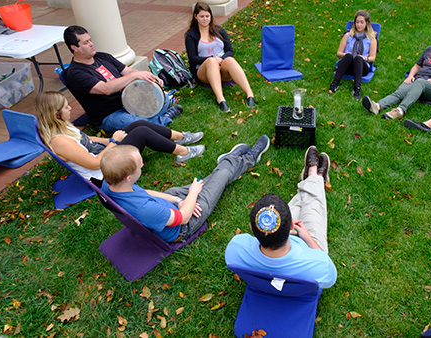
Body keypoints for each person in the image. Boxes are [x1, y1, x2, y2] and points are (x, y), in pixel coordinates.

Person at [100, 135, 270, 242]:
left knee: (210, 182)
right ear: (128, 177)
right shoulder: (145, 209)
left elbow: (144, 193)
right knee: (221, 176)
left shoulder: (111, 185)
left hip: (167, 208)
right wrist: (192, 194)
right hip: (184, 225)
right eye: (139, 165)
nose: (143, 164)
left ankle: (228, 163)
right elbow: (183, 218)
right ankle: (247, 159)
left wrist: (179, 200)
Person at [225, 146, 337, 289]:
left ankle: (312, 179)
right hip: (305, 249)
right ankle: (316, 177)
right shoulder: (319, 266)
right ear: (291, 226)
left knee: (299, 205)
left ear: (252, 228)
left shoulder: (235, 250)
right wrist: (308, 238)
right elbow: (331, 271)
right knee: (313, 205)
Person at [36, 91, 205, 185]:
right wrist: (115, 143)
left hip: (105, 155)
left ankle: (179, 137)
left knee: (137, 125)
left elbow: (88, 139)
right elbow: (94, 164)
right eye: (66, 108)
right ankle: (183, 152)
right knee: (141, 133)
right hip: (103, 172)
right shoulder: (59, 141)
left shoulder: (62, 126)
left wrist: (108, 141)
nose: (70, 109)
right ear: (56, 114)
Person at [63, 25, 183, 133]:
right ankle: (163, 117)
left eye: (90, 40)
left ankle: (158, 113)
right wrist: (133, 76)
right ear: (75, 48)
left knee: (161, 99)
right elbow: (105, 89)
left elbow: (129, 71)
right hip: (110, 114)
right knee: (135, 123)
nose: (91, 44)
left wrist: (147, 76)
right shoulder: (75, 73)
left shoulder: (103, 56)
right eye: (86, 42)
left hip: (130, 102)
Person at [362, 21, 431, 119]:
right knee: (400, 92)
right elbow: (417, 66)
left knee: (420, 82)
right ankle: (377, 106)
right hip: (418, 80)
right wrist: (411, 76)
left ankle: (401, 110)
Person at [184, 2, 255, 112]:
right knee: (211, 61)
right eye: (201, 16)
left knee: (230, 60)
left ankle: (250, 95)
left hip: (222, 68)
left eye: (207, 16)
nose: (205, 19)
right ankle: (221, 100)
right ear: (195, 16)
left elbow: (230, 51)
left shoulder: (219, 30)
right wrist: (211, 59)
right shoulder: (191, 35)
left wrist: (221, 59)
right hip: (204, 71)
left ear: (211, 16)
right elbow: (192, 59)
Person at [328, 10, 377, 100]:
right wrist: (346, 55)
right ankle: (334, 85)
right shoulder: (347, 35)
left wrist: (364, 58)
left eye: (362, 22)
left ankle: (356, 89)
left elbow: (372, 58)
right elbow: (338, 53)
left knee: (358, 59)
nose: (359, 25)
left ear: (366, 23)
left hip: (361, 67)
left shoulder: (371, 38)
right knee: (349, 56)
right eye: (357, 22)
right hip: (346, 65)